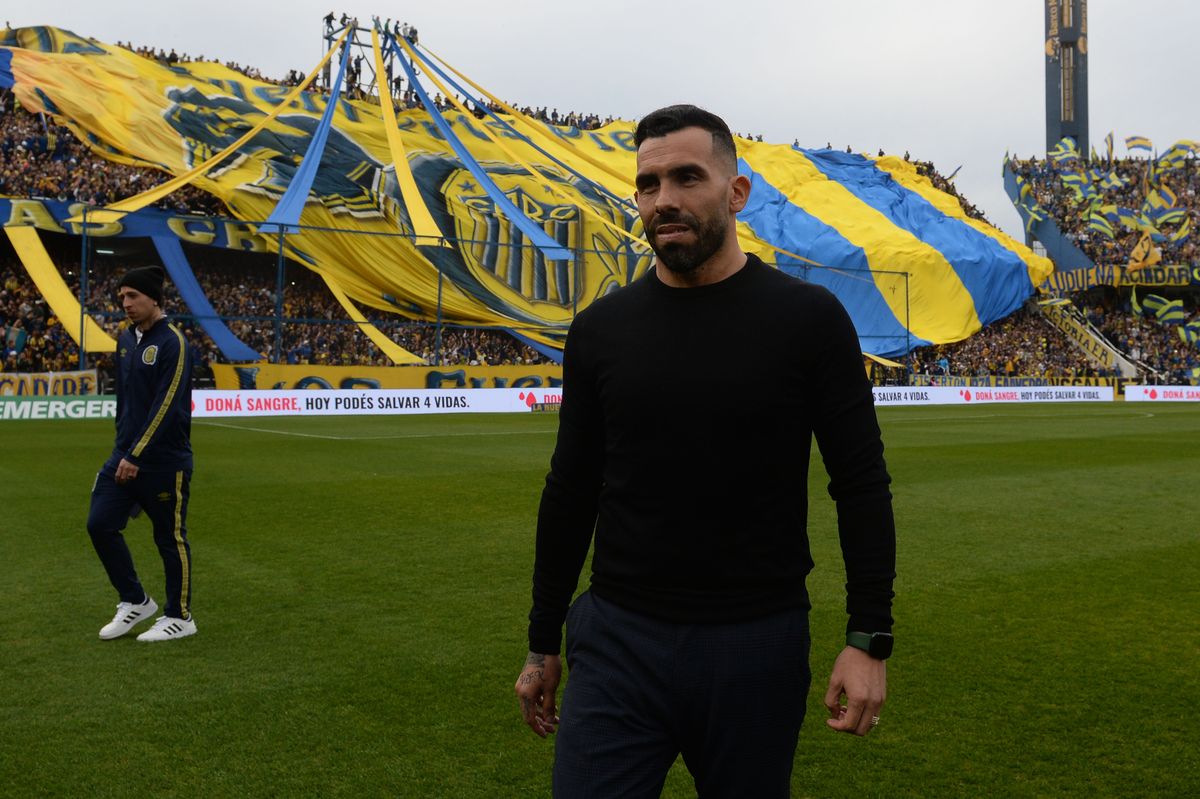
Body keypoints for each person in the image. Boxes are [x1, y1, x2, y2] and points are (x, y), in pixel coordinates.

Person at [514, 104, 896, 797]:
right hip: (617, 640)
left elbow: (861, 482)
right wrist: (543, 641)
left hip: (756, 642)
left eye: (687, 177)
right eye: (648, 183)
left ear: (736, 191)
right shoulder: (600, 330)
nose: (664, 199)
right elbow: (571, 487)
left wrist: (869, 637)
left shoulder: (808, 320)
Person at [88, 265, 197, 643]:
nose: (126, 303)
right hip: (123, 456)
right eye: (122, 296)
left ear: (154, 298)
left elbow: (167, 405)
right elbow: (126, 402)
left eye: (133, 295)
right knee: (99, 524)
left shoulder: (173, 343)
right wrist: (123, 448)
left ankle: (180, 617)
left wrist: (135, 455)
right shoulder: (124, 340)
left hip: (164, 461)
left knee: (169, 538)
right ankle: (135, 600)